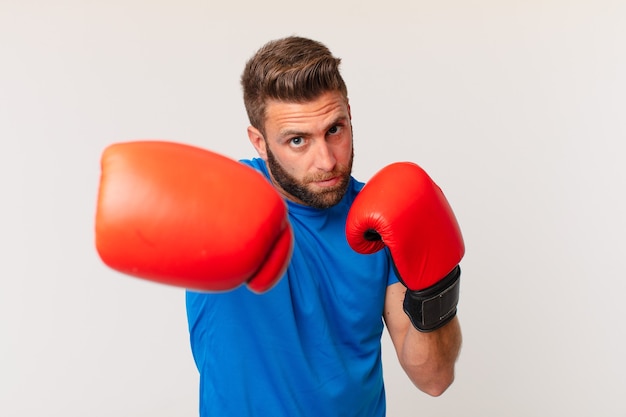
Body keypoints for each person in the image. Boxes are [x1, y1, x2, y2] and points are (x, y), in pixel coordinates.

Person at [95, 35, 464, 417]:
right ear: (259, 141)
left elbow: (434, 379)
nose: (325, 160)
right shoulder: (223, 198)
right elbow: (140, 202)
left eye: (334, 130)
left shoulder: (382, 218)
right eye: (298, 140)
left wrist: (434, 286)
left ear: (350, 114)